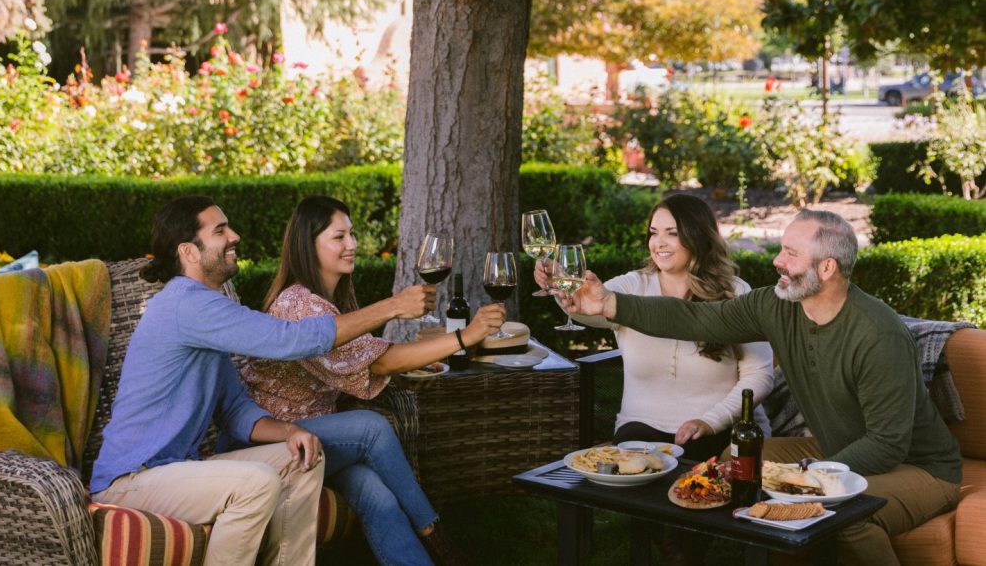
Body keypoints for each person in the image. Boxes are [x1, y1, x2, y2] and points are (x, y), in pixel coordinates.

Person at [564, 209, 962, 566]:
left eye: (791, 253)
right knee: (739, 460)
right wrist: (609, 304)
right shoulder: (777, 305)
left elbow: (887, 443)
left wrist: (804, 477)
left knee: (844, 515)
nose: (777, 261)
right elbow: (695, 319)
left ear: (826, 268)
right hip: (835, 445)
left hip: (919, 467)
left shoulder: (877, 334)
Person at [90, 196, 433, 566]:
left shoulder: (206, 309)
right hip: (132, 479)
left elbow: (235, 410)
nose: (234, 235)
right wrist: (393, 306)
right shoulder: (185, 305)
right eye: (220, 230)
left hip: (175, 470)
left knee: (303, 456)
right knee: (257, 482)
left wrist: (290, 432)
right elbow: (290, 339)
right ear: (189, 251)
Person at [238, 195, 506, 566]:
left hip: (316, 436)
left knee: (375, 493)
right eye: (338, 237)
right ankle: (437, 539)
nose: (352, 245)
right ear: (308, 244)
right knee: (371, 428)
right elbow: (380, 363)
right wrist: (466, 336)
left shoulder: (327, 299)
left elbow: (374, 357)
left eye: (352, 234)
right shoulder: (300, 304)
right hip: (275, 442)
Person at [537, 194, 773, 461]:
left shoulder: (735, 293)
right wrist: (562, 288)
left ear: (698, 236)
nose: (658, 243)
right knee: (636, 468)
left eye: (672, 233)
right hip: (638, 428)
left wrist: (710, 421)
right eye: (653, 233)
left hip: (716, 429)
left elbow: (760, 376)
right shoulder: (632, 286)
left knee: (695, 475)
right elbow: (590, 310)